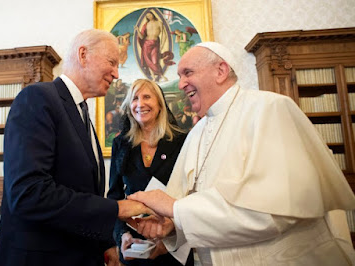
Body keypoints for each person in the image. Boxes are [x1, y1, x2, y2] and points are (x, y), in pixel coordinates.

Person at [128, 42, 355, 265]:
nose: (181, 84)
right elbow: (190, 207)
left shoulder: (269, 108)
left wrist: (175, 209)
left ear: (221, 71)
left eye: (188, 73)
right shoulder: (196, 132)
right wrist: (172, 226)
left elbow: (276, 212)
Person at [0, 29, 154, 266]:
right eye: (112, 62)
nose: (117, 74)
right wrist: (115, 209)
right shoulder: (37, 98)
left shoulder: (82, 113)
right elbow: (29, 193)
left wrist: (104, 245)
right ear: (83, 54)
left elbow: (83, 192)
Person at [107, 79, 193, 265]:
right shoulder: (121, 144)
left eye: (147, 97)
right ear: (130, 106)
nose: (140, 104)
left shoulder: (182, 141)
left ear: (160, 105)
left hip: (174, 243)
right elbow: (115, 196)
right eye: (135, 98)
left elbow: (192, 194)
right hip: (135, 246)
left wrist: (170, 239)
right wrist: (123, 235)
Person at [135, 11, 168, 82]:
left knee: (155, 61)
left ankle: (161, 76)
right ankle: (153, 77)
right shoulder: (146, 24)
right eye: (147, 16)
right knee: (148, 62)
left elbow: (164, 35)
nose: (149, 16)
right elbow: (141, 37)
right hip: (146, 44)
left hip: (155, 44)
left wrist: (162, 45)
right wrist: (138, 30)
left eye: (150, 15)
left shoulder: (159, 23)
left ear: (153, 15)